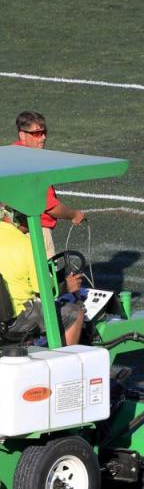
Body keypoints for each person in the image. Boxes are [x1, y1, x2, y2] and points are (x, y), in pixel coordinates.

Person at [0, 207, 84, 345]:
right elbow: (44, 291)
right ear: (20, 218)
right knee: (75, 313)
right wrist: (66, 287)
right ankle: (63, 363)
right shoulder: (26, 244)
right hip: (12, 320)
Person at [12, 111, 86, 258]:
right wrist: (74, 214)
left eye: (44, 132)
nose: (43, 137)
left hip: (10, 233)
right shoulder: (33, 163)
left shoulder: (10, 154)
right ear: (22, 135)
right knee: (46, 279)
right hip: (35, 232)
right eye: (37, 133)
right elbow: (50, 207)